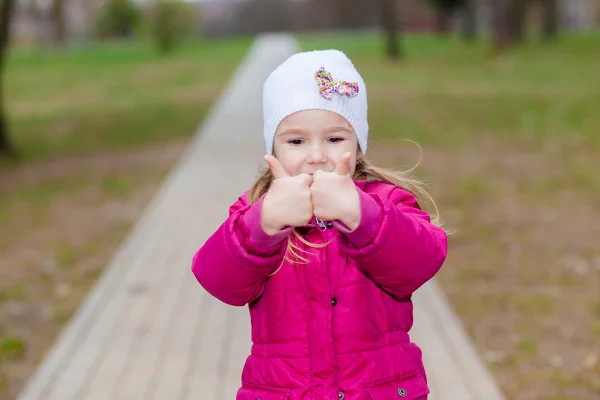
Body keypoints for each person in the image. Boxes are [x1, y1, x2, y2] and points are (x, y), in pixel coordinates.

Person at [191, 49, 448, 400]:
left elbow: (421, 261)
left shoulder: (385, 201)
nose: (316, 155)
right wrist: (263, 225)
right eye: (296, 141)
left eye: (334, 138)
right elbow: (217, 279)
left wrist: (362, 216)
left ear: (358, 146)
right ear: (274, 148)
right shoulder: (257, 211)